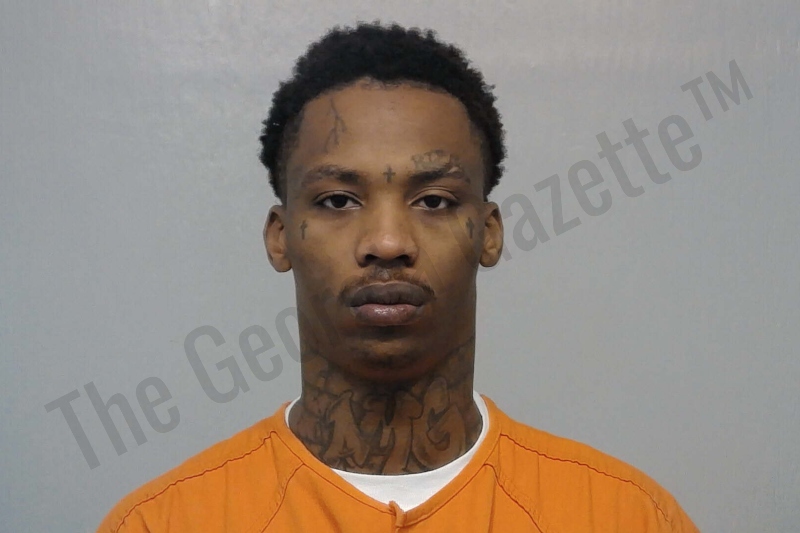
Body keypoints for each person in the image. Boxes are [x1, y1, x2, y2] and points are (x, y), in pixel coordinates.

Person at [98, 22, 700, 532]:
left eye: (434, 201)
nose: (387, 242)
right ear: (280, 237)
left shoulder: (626, 516)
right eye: (337, 201)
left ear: (488, 232)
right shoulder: (165, 522)